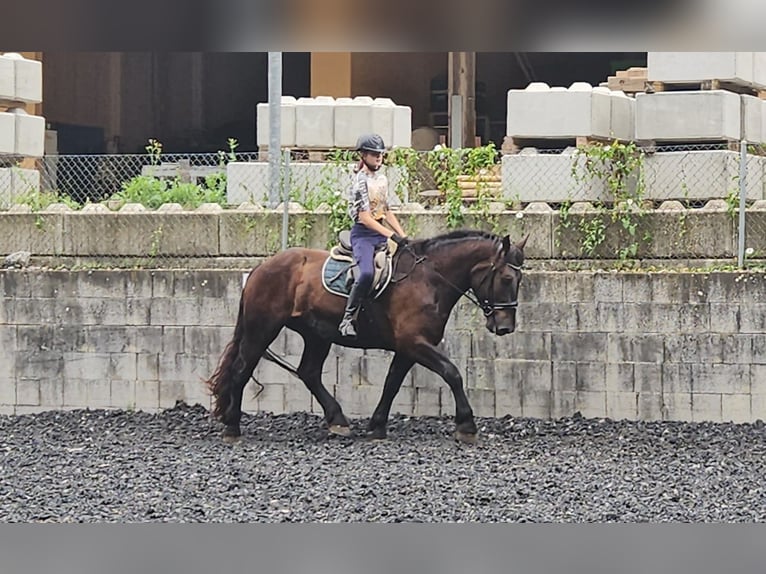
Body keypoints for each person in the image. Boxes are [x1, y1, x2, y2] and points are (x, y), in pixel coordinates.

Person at [338, 133, 408, 338]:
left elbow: (386, 211)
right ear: (363, 155)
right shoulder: (360, 182)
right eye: (374, 154)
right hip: (364, 235)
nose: (379, 157)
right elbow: (365, 218)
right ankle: (347, 319)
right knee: (367, 273)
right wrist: (391, 235)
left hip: (381, 233)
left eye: (380, 154)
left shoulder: (382, 179)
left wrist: (403, 235)